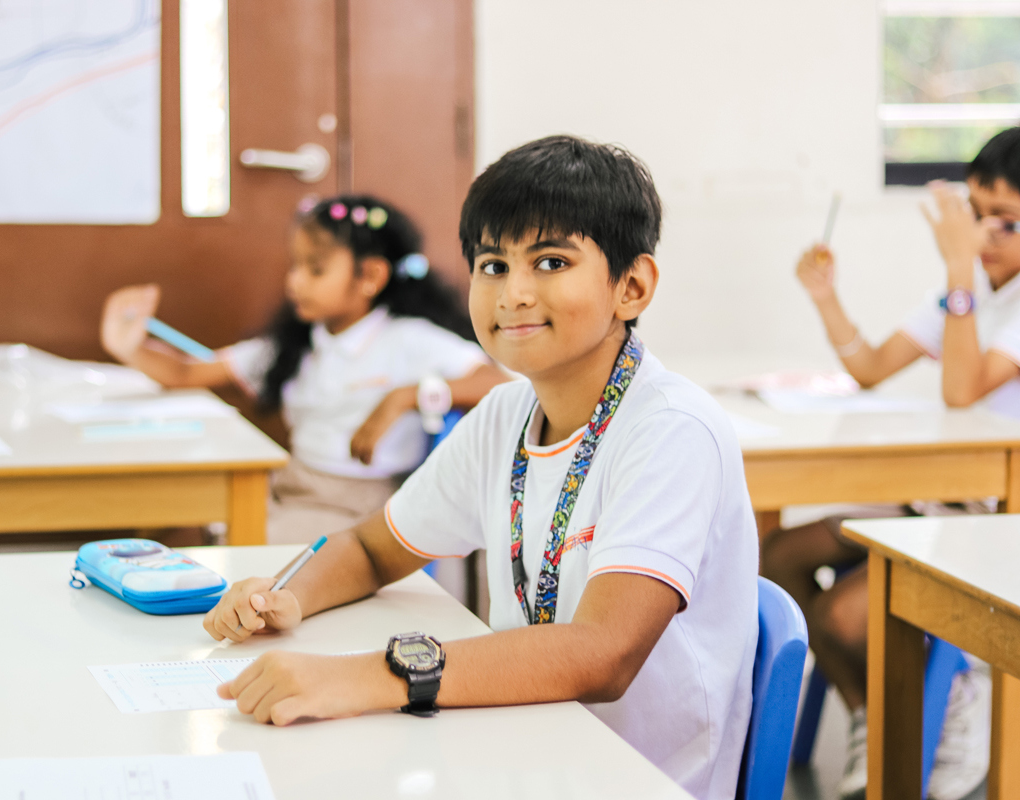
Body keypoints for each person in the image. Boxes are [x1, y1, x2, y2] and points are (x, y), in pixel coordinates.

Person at [201, 136, 759, 800]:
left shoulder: (671, 431)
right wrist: (287, 595)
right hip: (519, 745)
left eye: (551, 261)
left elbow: (601, 653)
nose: (514, 293)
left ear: (631, 287)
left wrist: (357, 677)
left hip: (634, 776)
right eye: (493, 265)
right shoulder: (504, 415)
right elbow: (372, 549)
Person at [762, 127, 1020, 800]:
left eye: (1007, 222)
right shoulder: (974, 293)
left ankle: (944, 700)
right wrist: (826, 296)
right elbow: (872, 368)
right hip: (943, 492)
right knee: (778, 557)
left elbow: (961, 389)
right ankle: (874, 716)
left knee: (843, 617)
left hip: (996, 511)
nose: (984, 235)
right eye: (974, 212)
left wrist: (959, 270)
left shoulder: (985, 291)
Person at [101, 195, 509, 544]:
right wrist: (129, 345)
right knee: (166, 522)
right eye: (294, 266)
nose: (295, 282)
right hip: (288, 486)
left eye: (315, 270)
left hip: (359, 507)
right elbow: (185, 374)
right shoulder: (297, 344)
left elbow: (493, 383)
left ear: (370, 276)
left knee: (237, 546)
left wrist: (403, 397)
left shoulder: (408, 339)